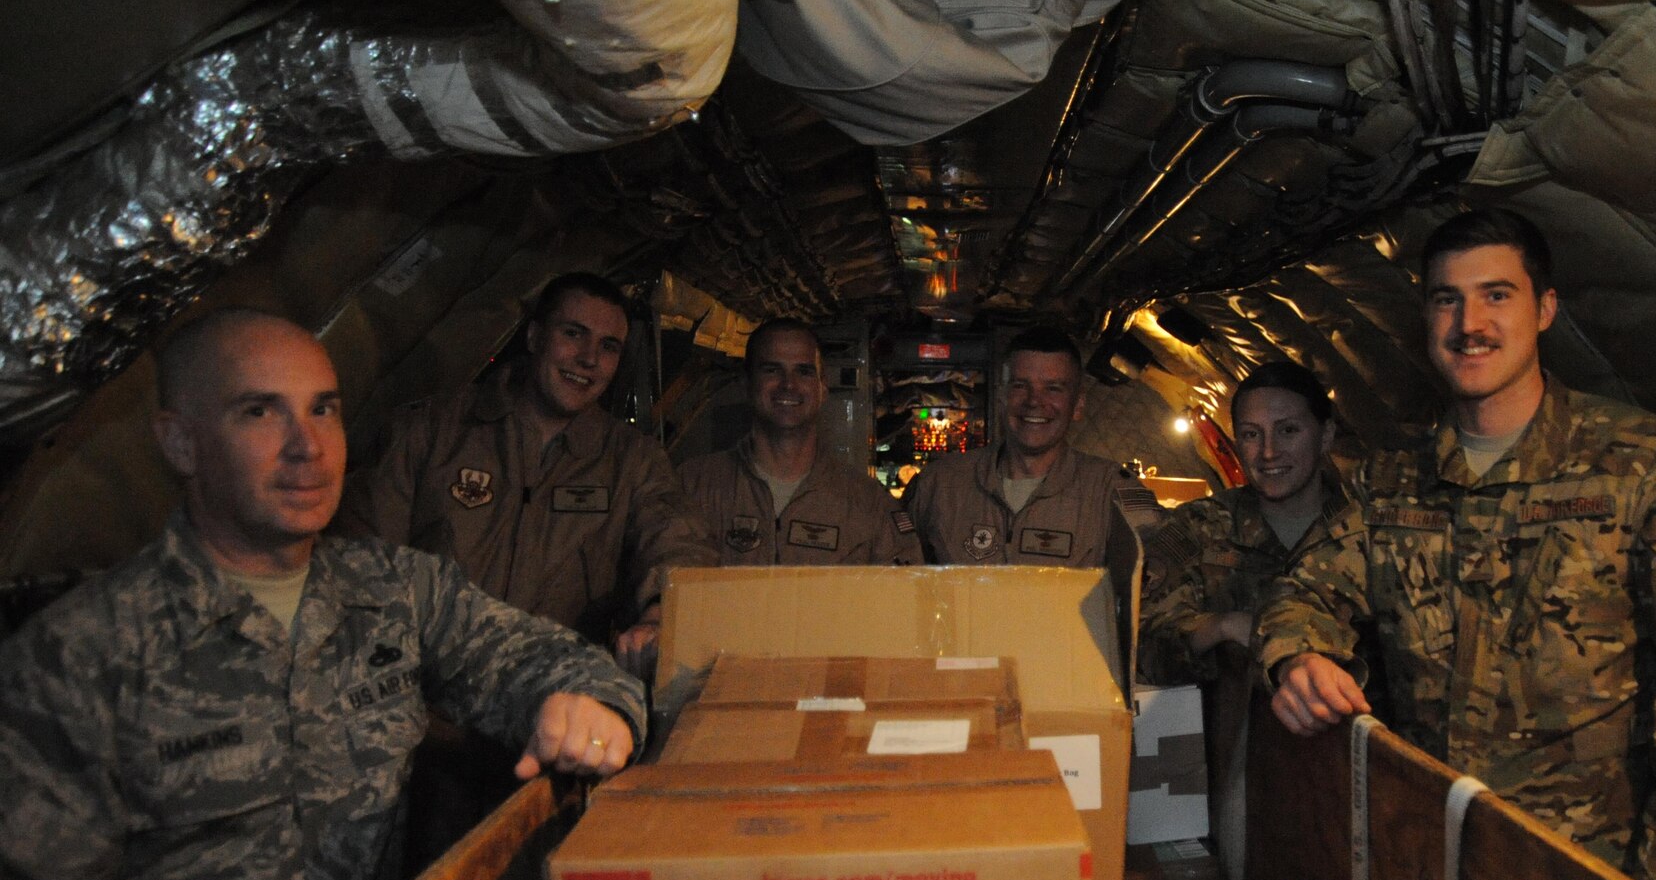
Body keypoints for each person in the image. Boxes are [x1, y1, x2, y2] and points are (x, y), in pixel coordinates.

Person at [0, 309, 646, 880]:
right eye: (259, 412)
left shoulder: (393, 592)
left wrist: (586, 704)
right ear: (180, 443)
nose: (307, 447)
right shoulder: (84, 655)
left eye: (326, 409)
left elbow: (549, 660)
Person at [1260, 208, 1656, 880]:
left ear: (1545, 309)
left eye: (1496, 295)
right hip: (1432, 864)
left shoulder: (1649, 466)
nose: (1469, 323)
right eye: (1447, 299)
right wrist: (1297, 655)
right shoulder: (1392, 482)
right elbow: (1304, 590)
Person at [337, 272, 713, 676]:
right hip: (426, 691)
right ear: (534, 337)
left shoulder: (631, 462)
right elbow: (362, 557)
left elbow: (676, 544)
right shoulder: (433, 431)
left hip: (555, 696)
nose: (589, 359)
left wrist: (660, 613)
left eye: (608, 346)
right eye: (573, 334)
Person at [1137, 359, 1362, 686]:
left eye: (1287, 431)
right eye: (1251, 434)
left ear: (1325, 435)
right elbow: (1144, 645)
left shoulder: (1367, 533)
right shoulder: (1200, 527)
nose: (1269, 452)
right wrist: (1223, 626)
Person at [903, 327, 1161, 566]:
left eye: (1053, 389)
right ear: (1002, 396)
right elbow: (893, 577)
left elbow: (1159, 579)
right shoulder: (938, 485)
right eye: (1020, 386)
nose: (1034, 401)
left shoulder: (1110, 491)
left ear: (1078, 405)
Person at [678, 319, 920, 565]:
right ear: (747, 384)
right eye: (772, 370)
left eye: (803, 372)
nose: (788, 384)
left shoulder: (870, 505)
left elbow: (907, 585)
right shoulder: (692, 487)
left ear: (822, 389)